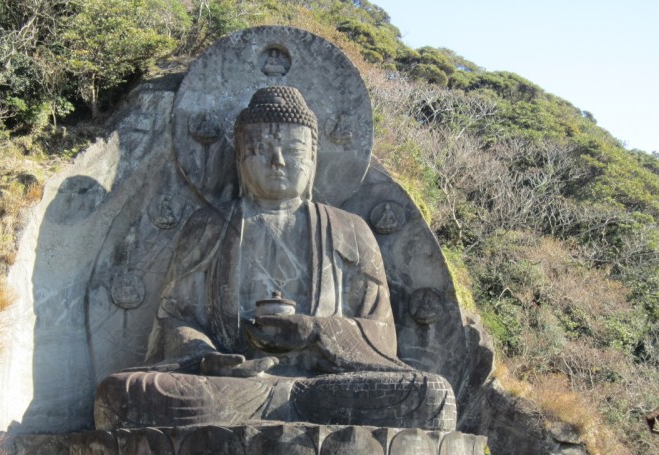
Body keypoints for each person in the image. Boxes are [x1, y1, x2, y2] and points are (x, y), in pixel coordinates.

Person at [94, 86, 456, 431]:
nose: (278, 161)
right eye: (261, 148)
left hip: (325, 388)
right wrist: (206, 356)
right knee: (124, 394)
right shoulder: (208, 225)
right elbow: (174, 319)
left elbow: (381, 336)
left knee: (431, 395)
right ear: (239, 157)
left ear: (313, 159)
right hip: (228, 389)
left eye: (293, 150)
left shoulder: (350, 229)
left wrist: (315, 332)